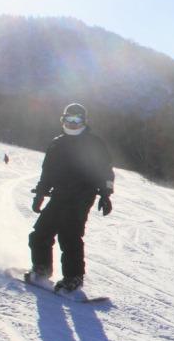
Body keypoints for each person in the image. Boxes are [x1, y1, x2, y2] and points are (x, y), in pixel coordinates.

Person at [26, 103, 115, 293]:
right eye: (69, 120)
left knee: (70, 235)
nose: (73, 124)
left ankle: (73, 278)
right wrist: (41, 193)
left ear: (84, 121)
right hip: (59, 194)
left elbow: (105, 171)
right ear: (63, 120)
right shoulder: (57, 143)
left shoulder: (93, 143)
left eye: (77, 120)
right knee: (40, 233)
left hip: (83, 195)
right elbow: (47, 172)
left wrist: (106, 194)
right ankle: (42, 268)